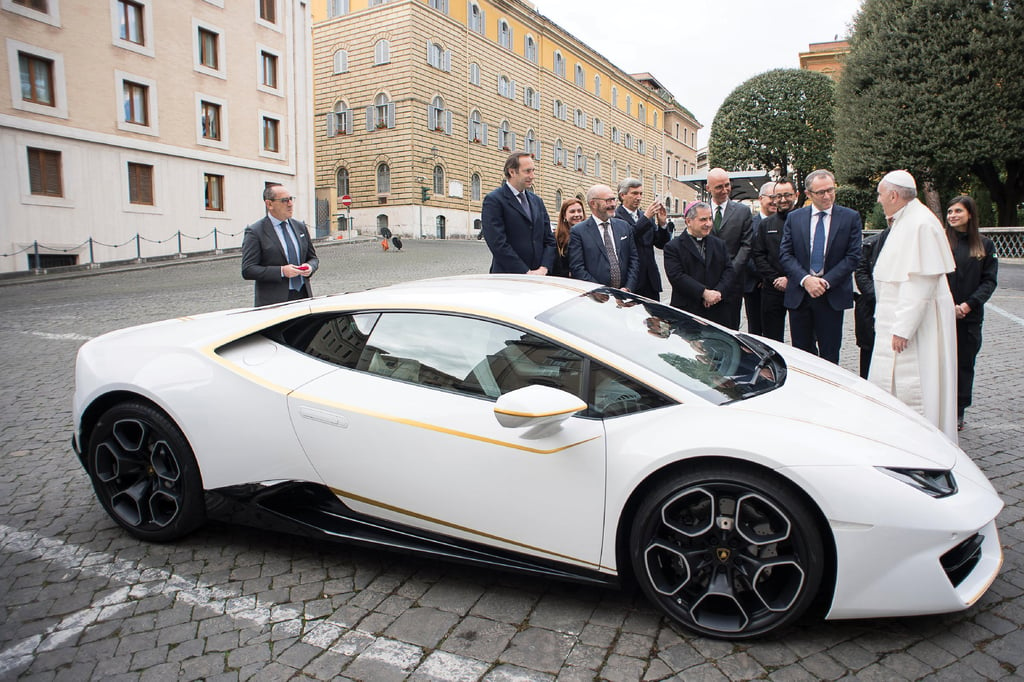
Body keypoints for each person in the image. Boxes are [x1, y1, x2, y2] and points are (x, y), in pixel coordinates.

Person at [868, 170, 957, 440]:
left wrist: (902, 329)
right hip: (902, 323)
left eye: (881, 195)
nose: (880, 200)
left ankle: (921, 441)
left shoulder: (920, 224)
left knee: (917, 385)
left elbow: (920, 282)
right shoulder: (905, 221)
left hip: (917, 328)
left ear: (894, 195)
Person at [778, 169, 862, 364]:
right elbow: (786, 254)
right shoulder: (795, 218)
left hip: (831, 295)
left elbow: (853, 257)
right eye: (821, 192)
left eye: (830, 190)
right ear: (808, 194)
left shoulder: (850, 218)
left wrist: (824, 282)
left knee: (830, 355)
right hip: (800, 295)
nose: (827, 196)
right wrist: (806, 280)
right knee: (802, 355)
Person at [945, 195, 998, 430]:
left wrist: (968, 305)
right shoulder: (943, 242)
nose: (952, 216)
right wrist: (947, 305)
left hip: (969, 317)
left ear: (970, 214)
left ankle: (958, 410)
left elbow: (989, 282)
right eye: (949, 212)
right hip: (943, 315)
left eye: (958, 211)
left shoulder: (985, 245)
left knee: (964, 365)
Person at [241, 184, 319, 307]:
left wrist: (310, 267)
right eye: (284, 200)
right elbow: (248, 270)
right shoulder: (255, 232)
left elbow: (313, 258)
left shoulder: (300, 227)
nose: (290, 204)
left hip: (303, 296)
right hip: (274, 303)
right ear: (269, 204)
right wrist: (281, 271)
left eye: (291, 199)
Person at [481, 152, 555, 275]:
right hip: (509, 277)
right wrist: (525, 272)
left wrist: (544, 268)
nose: (532, 176)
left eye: (533, 171)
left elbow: (549, 240)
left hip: (540, 276)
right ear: (512, 172)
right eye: (527, 171)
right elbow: (497, 243)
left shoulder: (537, 201)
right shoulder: (494, 200)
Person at [663, 202, 735, 326]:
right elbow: (677, 277)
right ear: (689, 221)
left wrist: (717, 292)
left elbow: (729, 270)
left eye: (710, 219)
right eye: (703, 220)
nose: (709, 224)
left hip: (718, 310)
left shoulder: (719, 244)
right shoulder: (673, 247)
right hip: (688, 311)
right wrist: (704, 293)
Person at [705, 168, 753, 330]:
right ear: (708, 188)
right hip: (706, 282)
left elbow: (747, 245)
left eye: (727, 185)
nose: (725, 190)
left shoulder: (743, 211)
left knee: (730, 329)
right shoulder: (699, 211)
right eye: (719, 187)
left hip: (733, 283)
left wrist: (729, 273)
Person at [568, 184, 639, 291]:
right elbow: (577, 268)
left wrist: (628, 288)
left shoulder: (624, 226)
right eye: (608, 201)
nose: (613, 204)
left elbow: (634, 260)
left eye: (614, 200)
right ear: (593, 203)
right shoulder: (578, 231)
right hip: (596, 298)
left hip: (624, 296)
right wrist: (601, 291)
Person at [752, 179, 797, 343]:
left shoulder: (805, 221)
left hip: (799, 287)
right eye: (778, 196)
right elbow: (759, 254)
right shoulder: (766, 224)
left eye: (787, 195)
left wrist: (791, 279)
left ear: (796, 195)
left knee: (803, 341)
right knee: (771, 340)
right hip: (772, 288)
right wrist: (775, 279)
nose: (783, 200)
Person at [614, 178, 672, 300]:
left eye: (641, 194)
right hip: (631, 279)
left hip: (650, 279)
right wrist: (645, 218)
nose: (639, 197)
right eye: (634, 193)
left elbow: (660, 244)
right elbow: (628, 238)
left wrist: (662, 224)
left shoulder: (645, 216)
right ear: (622, 195)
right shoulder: (616, 217)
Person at [853, 225, 891, 379]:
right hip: (870, 308)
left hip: (896, 310)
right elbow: (860, 272)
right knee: (868, 359)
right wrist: (880, 296)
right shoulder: (870, 244)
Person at [745, 181, 776, 335]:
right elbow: (746, 253)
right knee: (755, 331)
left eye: (777, 197)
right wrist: (764, 276)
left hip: (777, 286)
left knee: (774, 332)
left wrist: (773, 278)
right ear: (760, 198)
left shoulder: (786, 223)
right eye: (771, 197)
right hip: (754, 286)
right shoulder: (749, 223)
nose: (775, 201)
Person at [552, 198, 586, 278]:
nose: (577, 214)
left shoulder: (591, 234)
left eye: (579, 211)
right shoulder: (556, 238)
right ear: (564, 215)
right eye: (572, 212)